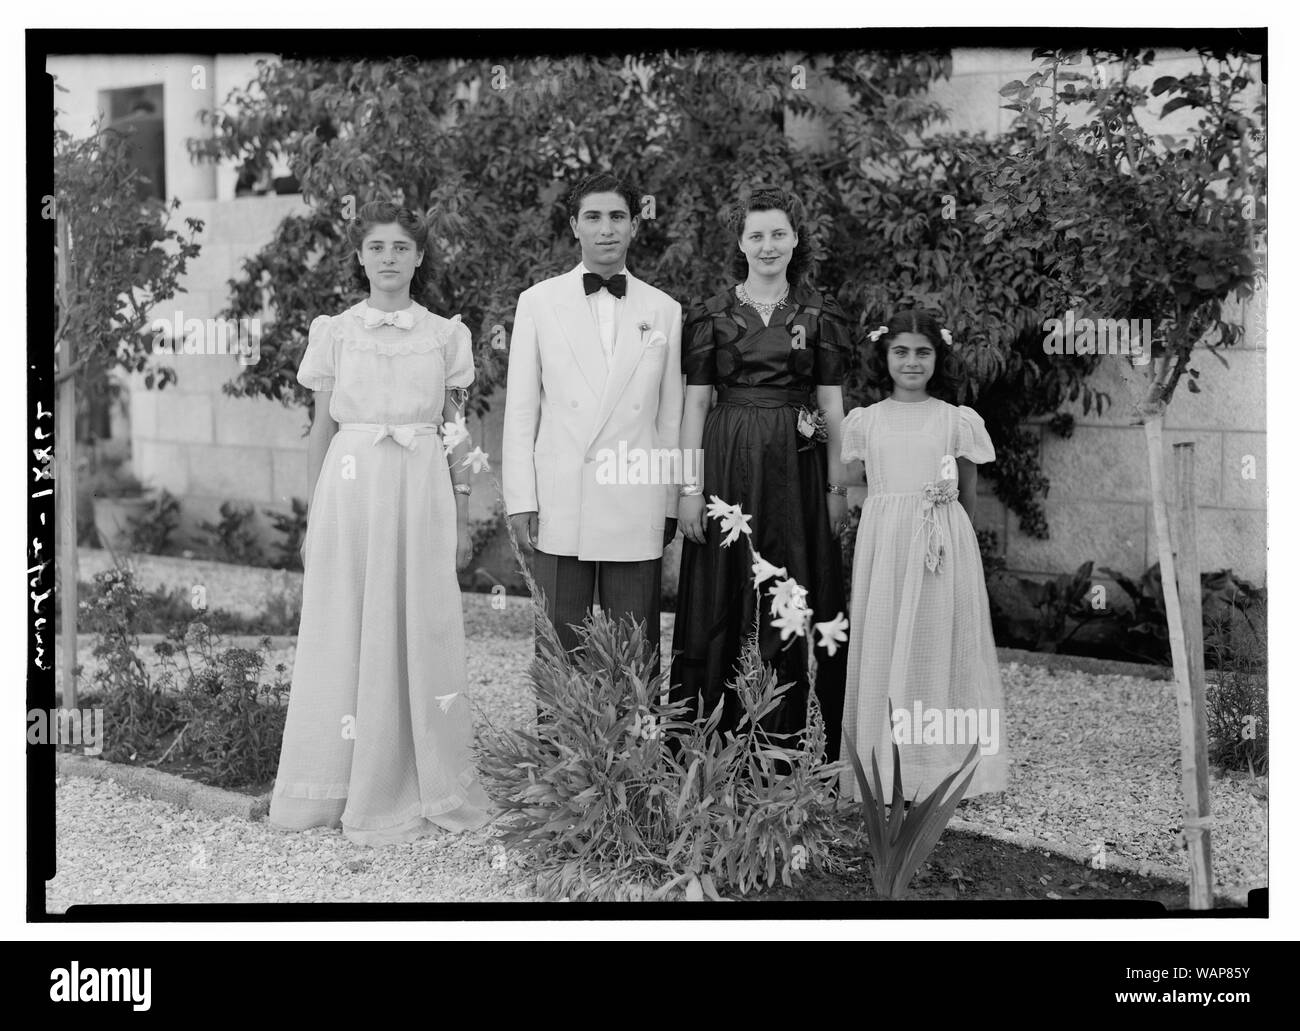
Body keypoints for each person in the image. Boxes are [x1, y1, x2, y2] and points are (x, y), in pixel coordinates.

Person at [269, 200, 493, 845]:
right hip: (352, 483)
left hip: (420, 482)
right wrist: (315, 517)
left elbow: (457, 427)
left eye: (402, 247)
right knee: (345, 624)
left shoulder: (447, 335)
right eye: (377, 247)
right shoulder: (334, 332)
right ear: (361, 257)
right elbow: (320, 430)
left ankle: (421, 778)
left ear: (420, 257)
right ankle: (331, 782)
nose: (389, 258)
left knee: (420, 624)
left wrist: (460, 506)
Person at [670, 186, 849, 760]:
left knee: (794, 579)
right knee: (724, 587)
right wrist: (689, 491)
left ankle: (794, 740)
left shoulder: (819, 315)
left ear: (796, 240)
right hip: (725, 462)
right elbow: (694, 406)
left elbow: (831, 407)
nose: (768, 245)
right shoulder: (712, 315)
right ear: (740, 243)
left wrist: (840, 485)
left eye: (778, 233)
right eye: (756, 235)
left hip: (796, 471)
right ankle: (713, 741)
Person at [501, 172, 683, 675]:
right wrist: (522, 499)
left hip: (634, 497)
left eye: (618, 217)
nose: (607, 229)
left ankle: (637, 755)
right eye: (594, 217)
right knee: (560, 653)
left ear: (634, 226)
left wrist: (669, 499)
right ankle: (557, 755)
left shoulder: (665, 310)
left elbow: (671, 417)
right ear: (574, 227)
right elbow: (521, 410)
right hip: (563, 498)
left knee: (634, 656)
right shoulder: (537, 303)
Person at [839, 310, 1009, 801]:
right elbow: (857, 487)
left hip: (940, 544)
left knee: (938, 647)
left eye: (922, 352)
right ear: (884, 356)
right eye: (901, 351)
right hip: (886, 548)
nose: (911, 362)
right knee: (885, 644)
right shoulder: (865, 422)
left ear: (938, 358)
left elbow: (968, 493)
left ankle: (937, 763)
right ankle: (882, 760)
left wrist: (953, 543)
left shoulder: (955, 419)